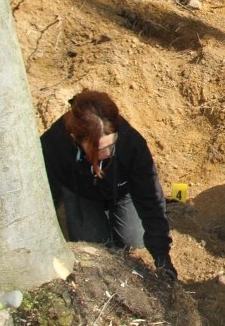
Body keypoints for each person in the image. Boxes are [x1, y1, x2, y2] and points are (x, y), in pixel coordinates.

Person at [40, 90, 178, 281]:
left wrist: (162, 257)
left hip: (121, 191)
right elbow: (46, 197)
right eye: (98, 149)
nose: (106, 153)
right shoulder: (54, 145)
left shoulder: (131, 144)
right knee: (96, 250)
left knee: (135, 241)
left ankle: (112, 215)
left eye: (110, 146)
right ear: (76, 139)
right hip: (81, 193)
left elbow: (150, 199)